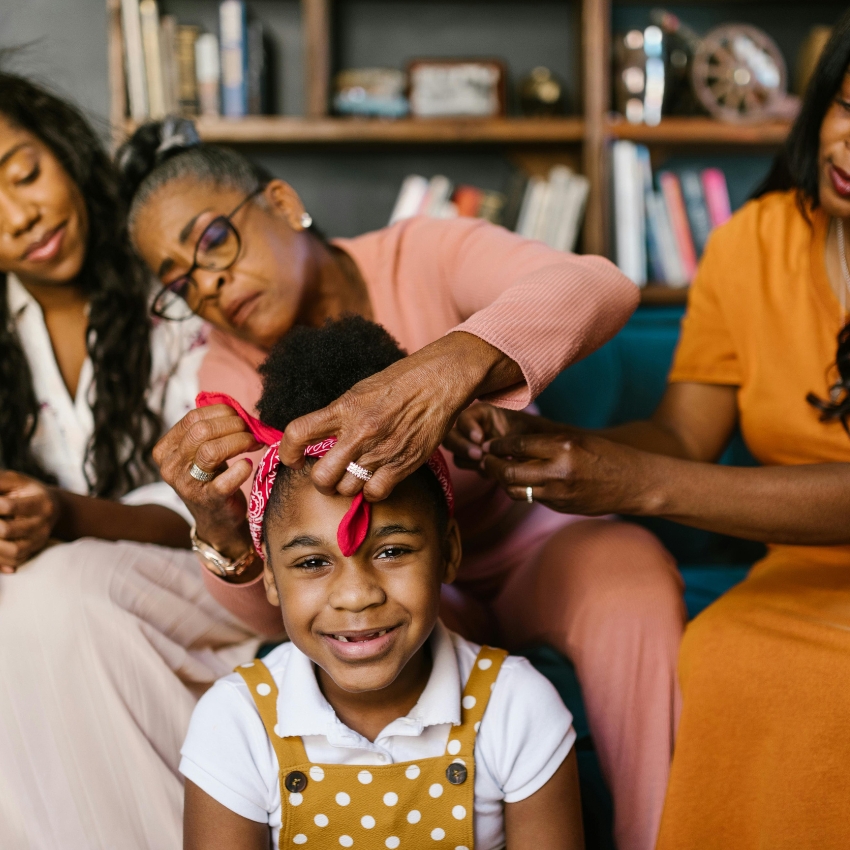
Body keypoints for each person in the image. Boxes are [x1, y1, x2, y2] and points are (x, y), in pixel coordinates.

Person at [122, 120, 684, 850]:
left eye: (211, 242)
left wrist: (448, 367)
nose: (208, 284)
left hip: (530, 538)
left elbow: (601, 285)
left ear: (284, 202)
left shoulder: (423, 252)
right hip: (414, 584)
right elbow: (277, 609)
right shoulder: (226, 377)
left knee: (630, 578)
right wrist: (222, 531)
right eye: (179, 283)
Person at [453, 11, 850, 848]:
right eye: (848, 107)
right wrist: (560, 446)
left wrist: (638, 484)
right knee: (723, 658)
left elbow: (666, 476)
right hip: (799, 573)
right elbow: (684, 435)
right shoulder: (755, 243)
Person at [181, 316, 583, 850]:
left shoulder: (515, 706)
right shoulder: (236, 722)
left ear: (449, 554)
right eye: (311, 563)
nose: (356, 595)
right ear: (270, 578)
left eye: (392, 551)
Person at [0, 78, 258, 849]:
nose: (22, 217)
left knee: (51, 601)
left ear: (65, 153)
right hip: (67, 594)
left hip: (213, 573)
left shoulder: (175, 284)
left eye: (24, 174)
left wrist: (63, 513)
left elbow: (214, 504)